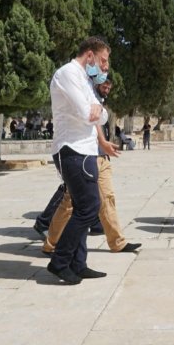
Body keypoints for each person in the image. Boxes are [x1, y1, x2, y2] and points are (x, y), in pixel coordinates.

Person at [42, 77, 141, 255]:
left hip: (100, 157)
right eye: (105, 86)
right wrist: (102, 142)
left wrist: (103, 144)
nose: (107, 90)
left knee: (107, 198)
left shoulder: (98, 99)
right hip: (83, 156)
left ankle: (117, 242)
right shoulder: (81, 92)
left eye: (109, 88)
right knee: (70, 203)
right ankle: (51, 242)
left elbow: (97, 124)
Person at [45, 36, 111, 284]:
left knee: (83, 207)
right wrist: (95, 112)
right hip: (72, 150)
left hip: (86, 150)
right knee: (89, 208)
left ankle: (78, 263)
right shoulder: (67, 74)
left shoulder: (84, 77)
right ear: (90, 55)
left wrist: (98, 112)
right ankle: (60, 261)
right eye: (102, 60)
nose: (104, 66)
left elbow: (102, 115)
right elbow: (87, 113)